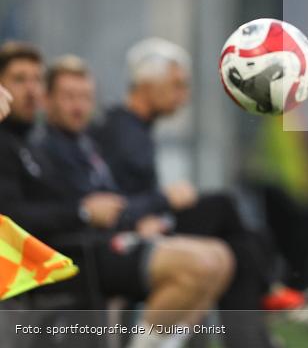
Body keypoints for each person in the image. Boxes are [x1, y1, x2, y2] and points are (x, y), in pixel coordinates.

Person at [0, 41, 234, 348]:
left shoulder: (58, 144)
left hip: (99, 240)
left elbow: (96, 200)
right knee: (201, 261)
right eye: (19, 80)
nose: (30, 90)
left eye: (35, 79)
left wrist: (132, 219)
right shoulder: (37, 145)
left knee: (221, 255)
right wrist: (87, 213)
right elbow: (18, 216)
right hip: (75, 254)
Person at [91, 38, 306, 346]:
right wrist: (155, 207)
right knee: (223, 207)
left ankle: (258, 319)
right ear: (147, 85)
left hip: (146, 225)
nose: (185, 95)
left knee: (244, 246)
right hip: (129, 239)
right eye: (178, 85)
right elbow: (106, 198)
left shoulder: (133, 129)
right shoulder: (124, 134)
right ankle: (264, 301)